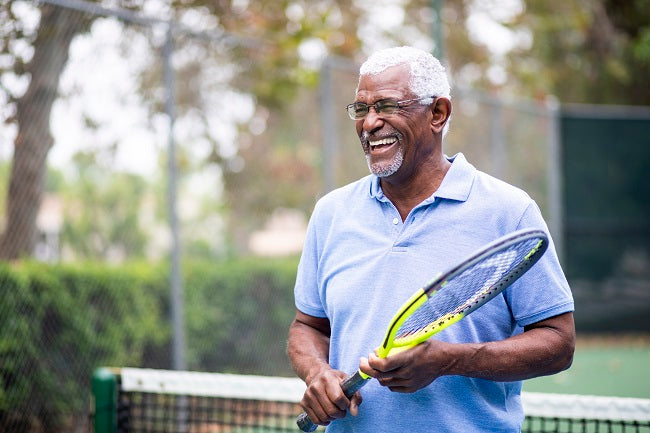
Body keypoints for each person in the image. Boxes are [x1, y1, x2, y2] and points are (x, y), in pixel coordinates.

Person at [287, 46, 575, 432]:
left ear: (437, 113)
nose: (369, 123)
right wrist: (318, 373)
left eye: (387, 106)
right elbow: (307, 326)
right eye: (361, 109)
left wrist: (450, 359)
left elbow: (558, 343)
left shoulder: (509, 211)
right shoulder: (331, 213)